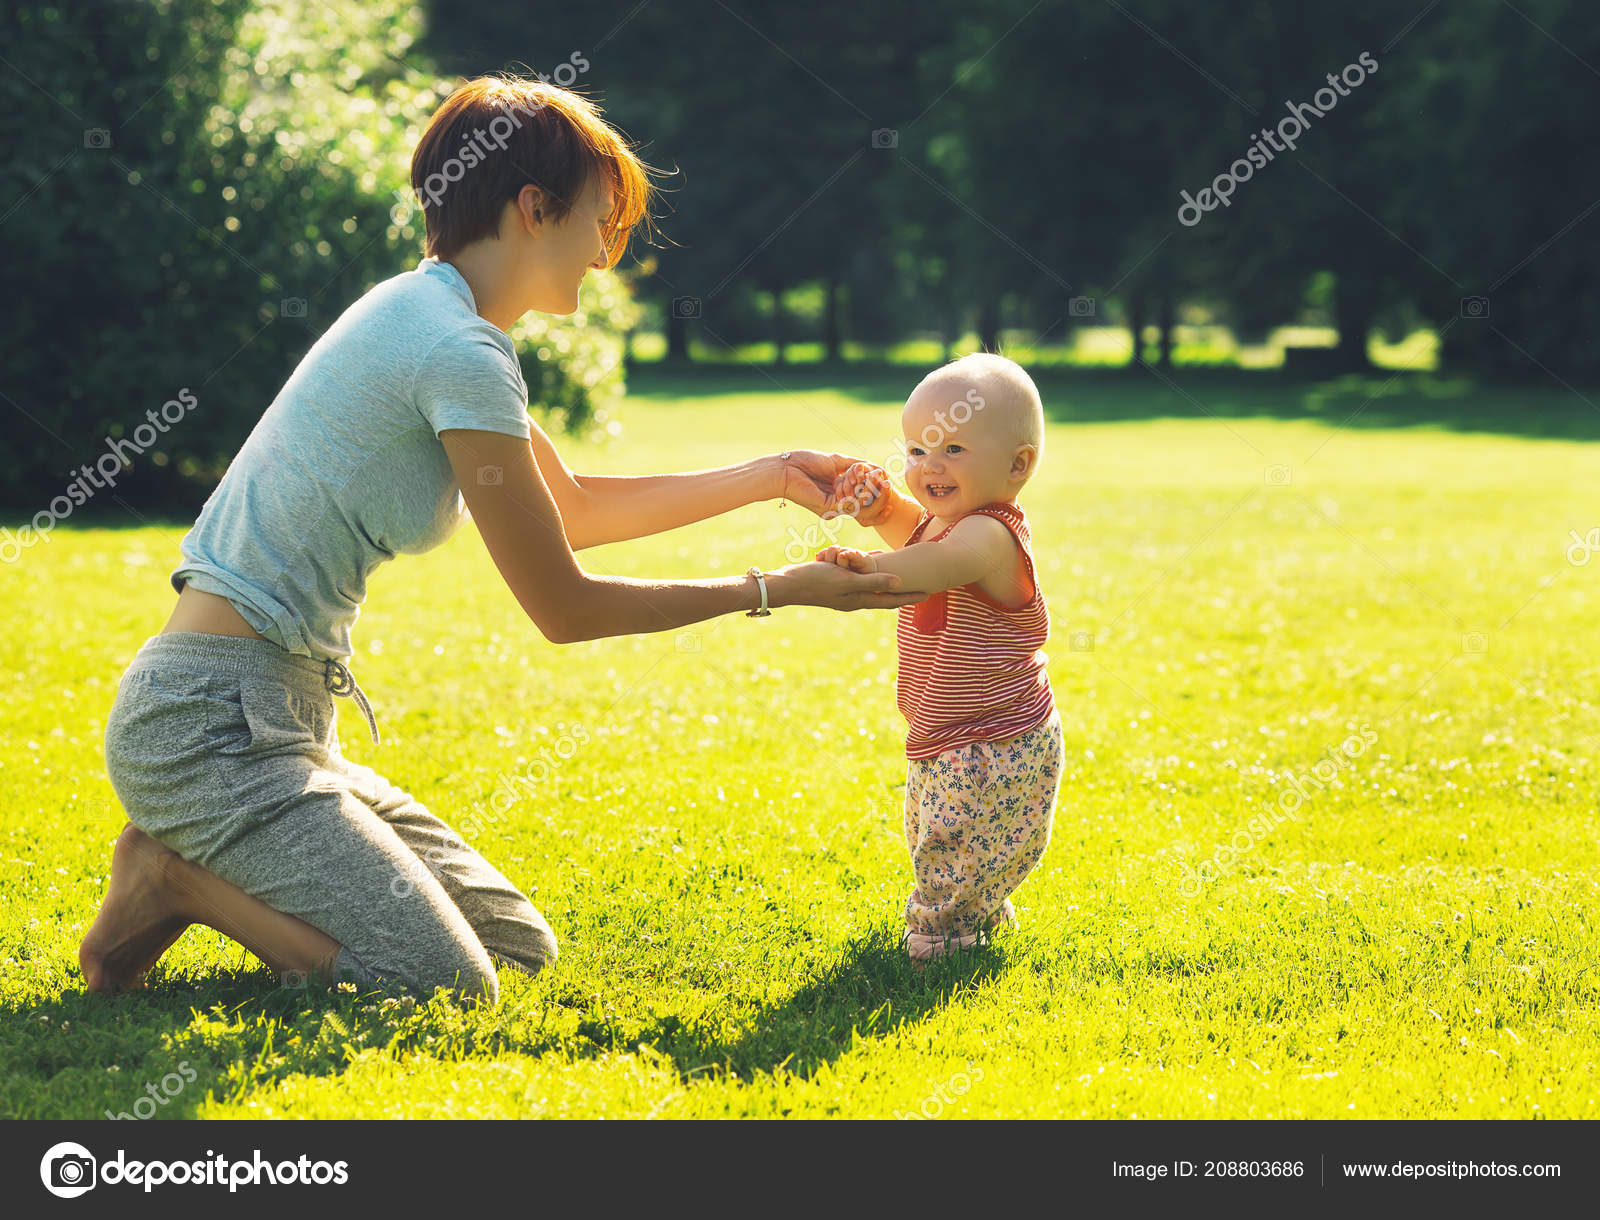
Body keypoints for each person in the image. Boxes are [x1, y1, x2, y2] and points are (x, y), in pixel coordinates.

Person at [79, 75, 917, 1005]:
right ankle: (174, 877)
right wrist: (776, 589)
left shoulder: (430, 315)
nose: (606, 253)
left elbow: (574, 508)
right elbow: (565, 606)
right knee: (438, 982)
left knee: (516, 950)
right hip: (209, 728)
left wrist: (774, 474)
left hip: (279, 719)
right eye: (600, 220)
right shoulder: (456, 349)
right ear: (533, 208)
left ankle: (193, 868)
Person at [817, 353, 1063, 962]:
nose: (929, 466)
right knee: (945, 832)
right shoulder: (945, 520)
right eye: (917, 449)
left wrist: (868, 567)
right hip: (950, 726)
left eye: (953, 449)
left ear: (1017, 464)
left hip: (995, 736)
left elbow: (934, 563)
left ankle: (941, 940)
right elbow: (917, 533)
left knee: (955, 839)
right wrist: (880, 510)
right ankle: (978, 910)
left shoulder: (990, 534)